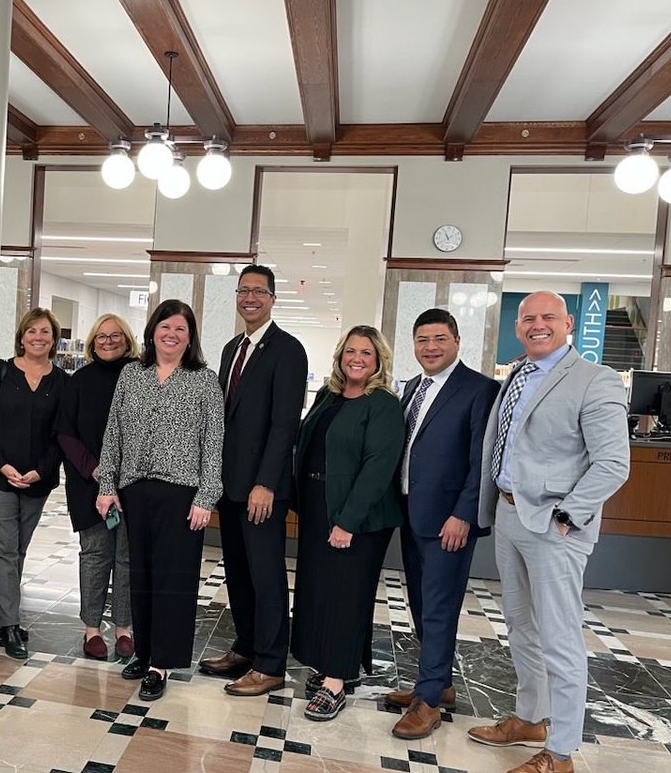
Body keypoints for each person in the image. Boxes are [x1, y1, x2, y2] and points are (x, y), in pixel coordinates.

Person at [468, 291, 629, 773]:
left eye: (547, 318)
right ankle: (529, 717)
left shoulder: (594, 379)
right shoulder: (518, 373)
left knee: (560, 638)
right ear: (518, 327)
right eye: (528, 318)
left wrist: (568, 514)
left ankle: (560, 752)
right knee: (520, 624)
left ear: (568, 324)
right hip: (511, 515)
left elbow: (613, 463)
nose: (537, 325)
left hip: (554, 525)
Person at [97, 299, 224, 702]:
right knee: (140, 576)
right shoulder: (132, 375)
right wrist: (106, 485)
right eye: (165, 327)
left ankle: (162, 663)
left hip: (182, 493)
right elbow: (113, 431)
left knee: (174, 580)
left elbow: (213, 443)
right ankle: (145, 649)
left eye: (180, 329)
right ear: (152, 332)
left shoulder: (204, 380)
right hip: (135, 488)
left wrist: (207, 495)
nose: (171, 334)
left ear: (190, 338)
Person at [386, 308, 499, 738]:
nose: (430, 348)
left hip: (449, 520)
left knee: (439, 607)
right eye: (422, 340)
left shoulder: (480, 389)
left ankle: (428, 701)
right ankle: (438, 681)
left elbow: (481, 460)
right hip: (412, 512)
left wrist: (464, 514)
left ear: (456, 341)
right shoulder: (413, 387)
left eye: (439, 339)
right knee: (419, 602)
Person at [199, 264, 307, 697]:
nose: (250, 298)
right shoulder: (230, 349)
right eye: (243, 290)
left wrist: (266, 483)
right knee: (238, 574)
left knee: (266, 577)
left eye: (259, 292)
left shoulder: (288, 349)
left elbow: (284, 424)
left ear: (273, 299)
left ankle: (270, 663)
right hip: (230, 486)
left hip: (261, 489)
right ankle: (245, 647)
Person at [291, 325, 404, 721]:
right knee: (319, 591)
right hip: (318, 507)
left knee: (345, 596)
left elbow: (378, 469)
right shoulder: (328, 396)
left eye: (367, 353)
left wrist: (348, 522)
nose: (357, 358)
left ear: (378, 361)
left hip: (357, 517)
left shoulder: (384, 405)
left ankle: (336, 682)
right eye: (351, 351)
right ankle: (328, 664)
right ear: (341, 355)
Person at [0, 308, 68, 660]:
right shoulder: (0, 371)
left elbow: (62, 434)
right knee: (4, 550)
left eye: (45, 332)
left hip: (37, 480)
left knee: (19, 549)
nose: (38, 337)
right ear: (21, 336)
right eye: (32, 331)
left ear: (54, 339)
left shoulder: (62, 382)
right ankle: (11, 626)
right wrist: (3, 465)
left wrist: (42, 470)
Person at [56, 313, 138, 660]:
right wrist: (96, 471)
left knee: (127, 557)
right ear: (92, 341)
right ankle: (92, 628)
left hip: (133, 483)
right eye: (101, 336)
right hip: (88, 483)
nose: (108, 341)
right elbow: (65, 431)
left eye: (115, 335)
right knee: (94, 555)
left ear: (127, 339)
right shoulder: (80, 380)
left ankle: (124, 627)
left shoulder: (140, 377)